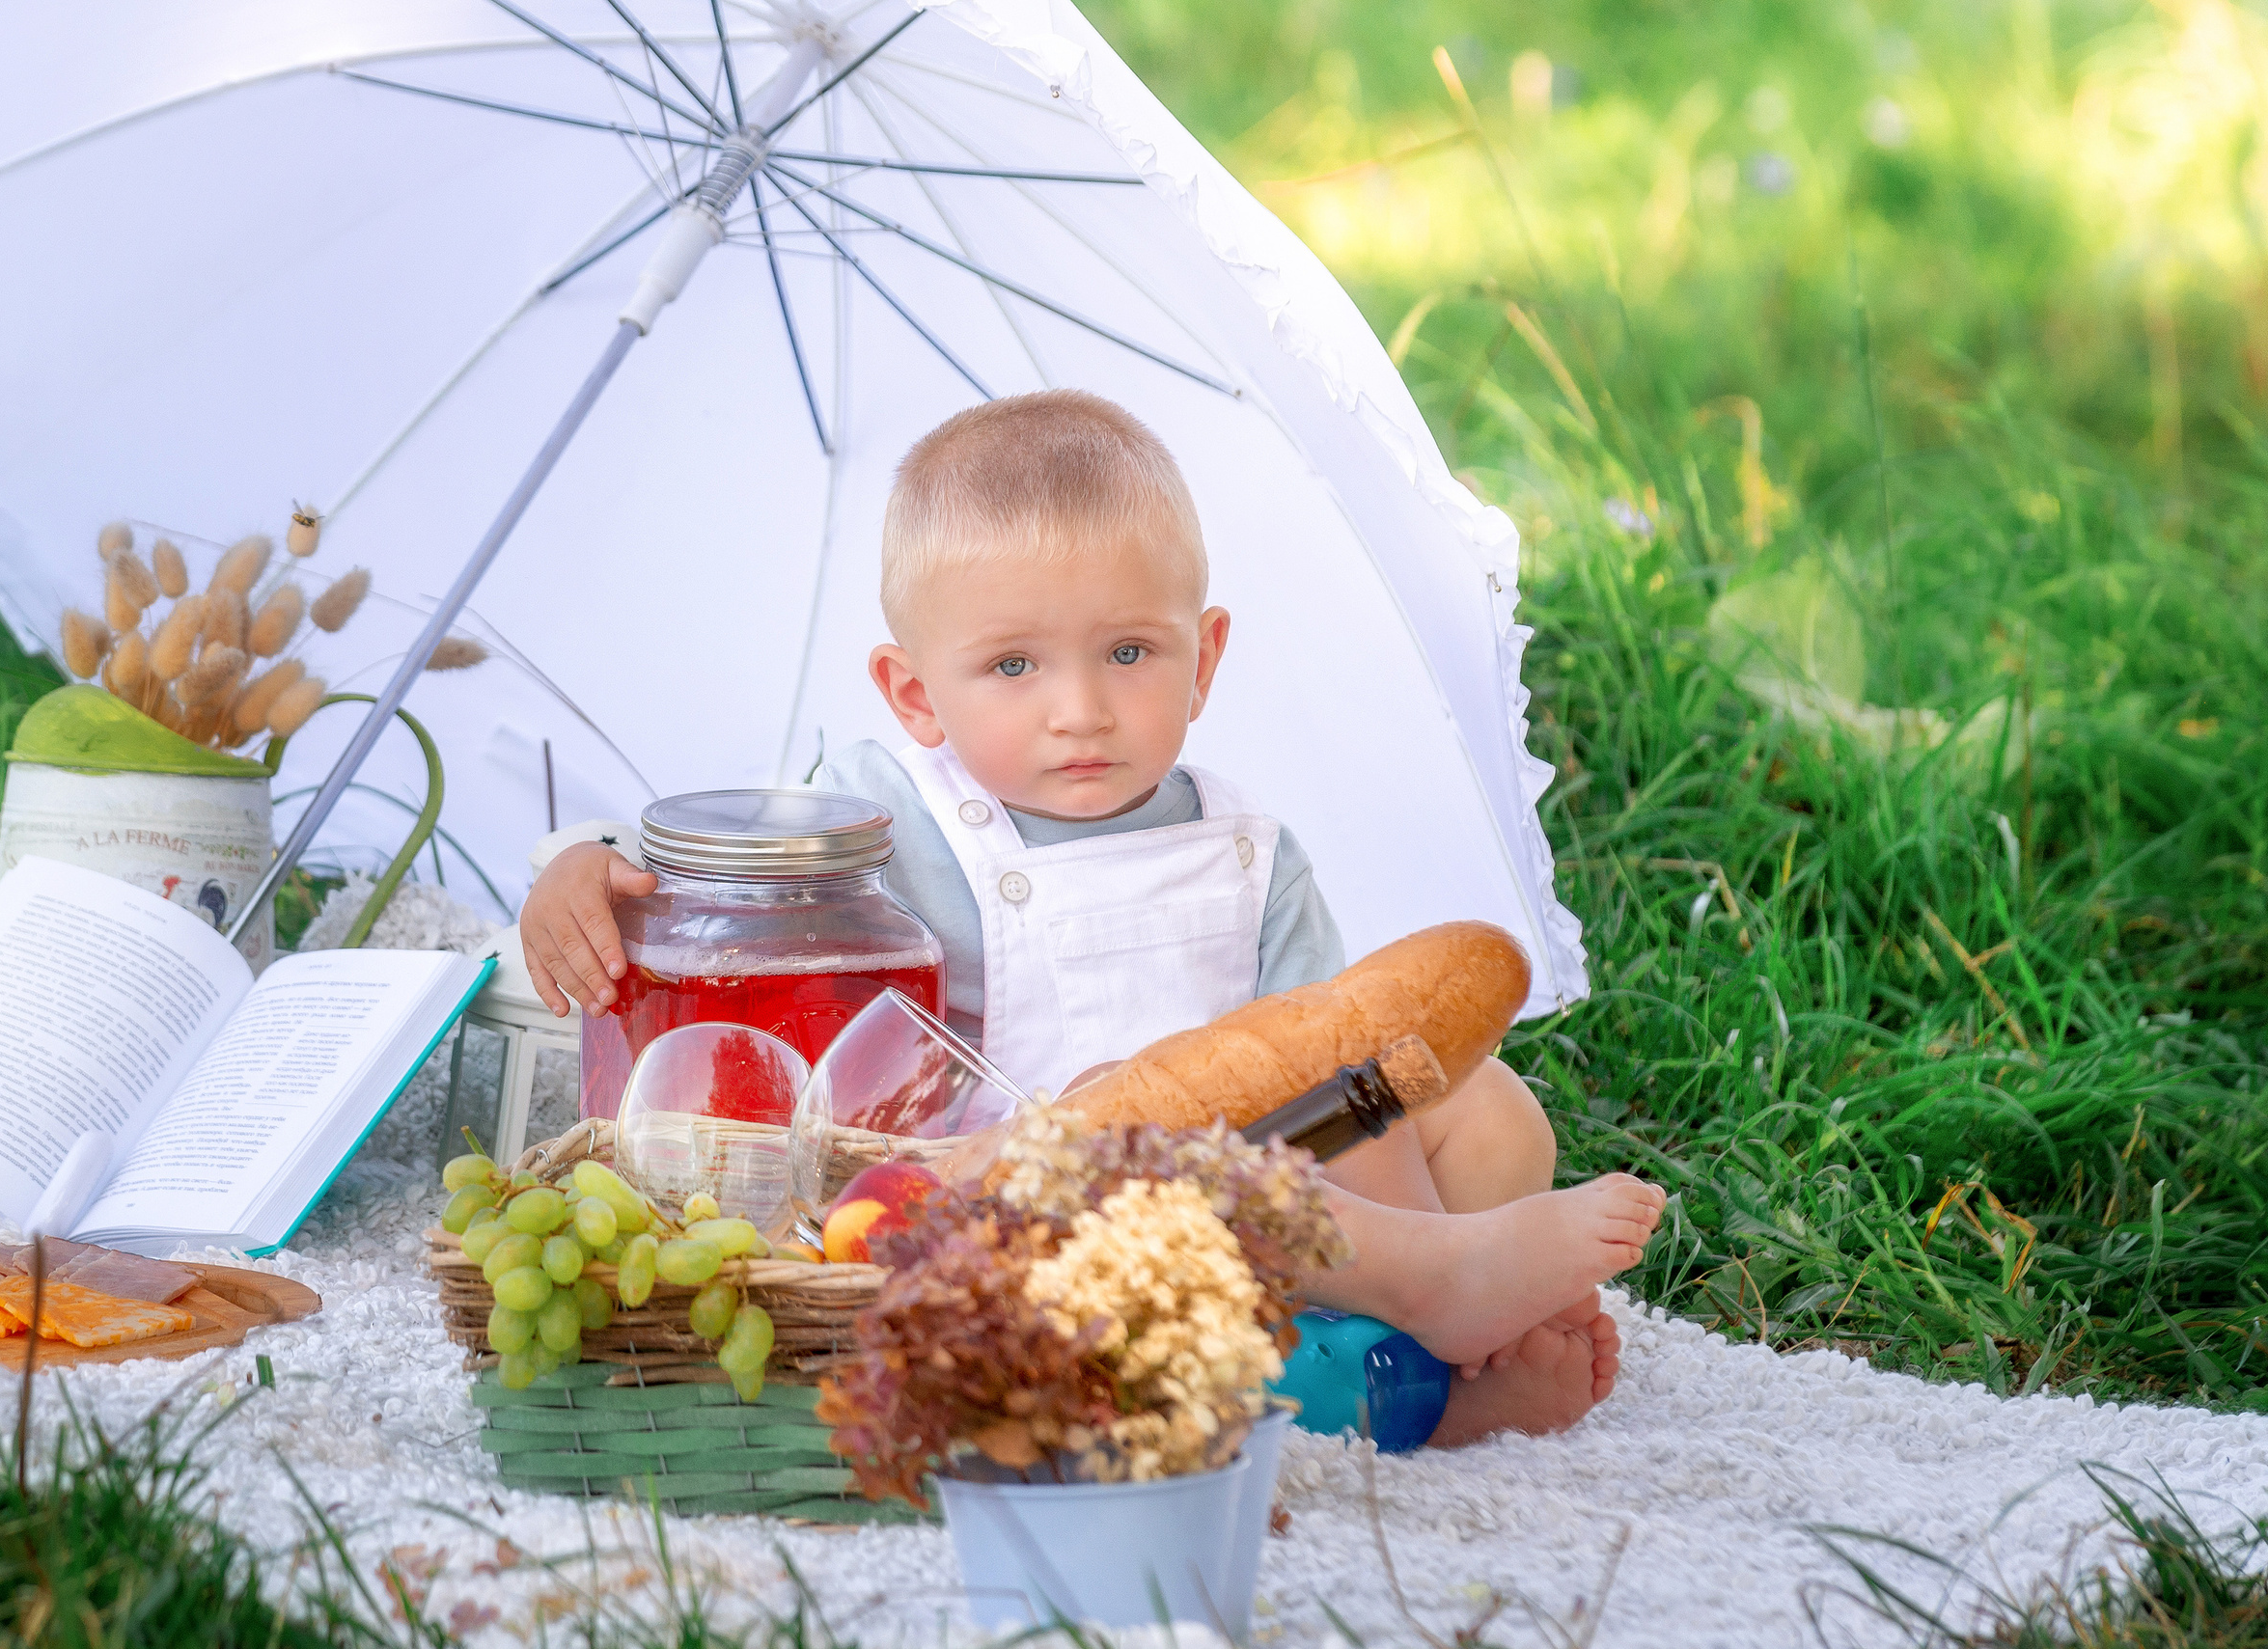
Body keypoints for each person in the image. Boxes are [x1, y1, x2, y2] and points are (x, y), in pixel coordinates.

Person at [521, 389, 1664, 1442]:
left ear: (1204, 655)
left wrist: (1367, 1133)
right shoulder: (884, 809)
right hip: (1033, 1220)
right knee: (1107, 1150)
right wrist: (591, 862)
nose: (1081, 709)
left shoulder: (1246, 850)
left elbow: (1342, 1084)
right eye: (1013, 665)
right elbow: (736, 880)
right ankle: (1413, 1348)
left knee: (1468, 1096)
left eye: (1129, 651)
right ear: (915, 692)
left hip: (1268, 1195)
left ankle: (1440, 1307)